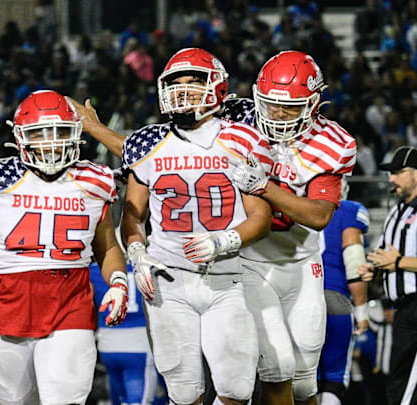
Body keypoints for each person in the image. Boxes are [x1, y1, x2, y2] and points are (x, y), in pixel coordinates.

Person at [0, 89, 129, 404]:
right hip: (6, 302)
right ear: (21, 138)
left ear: (75, 133)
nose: (51, 142)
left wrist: (118, 280)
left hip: (69, 300)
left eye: (60, 132)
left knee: (65, 398)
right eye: (40, 133)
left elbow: (108, 246)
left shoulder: (94, 180)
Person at [120, 48, 273, 405]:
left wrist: (224, 241)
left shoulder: (242, 138)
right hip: (168, 278)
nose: (183, 90)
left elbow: (261, 216)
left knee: (236, 390)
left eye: (194, 82)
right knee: (184, 392)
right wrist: (137, 250)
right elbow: (132, 214)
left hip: (227, 276)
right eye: (176, 83)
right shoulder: (146, 143)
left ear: (217, 87)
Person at [226, 50, 357, 405]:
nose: (279, 113)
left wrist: (263, 187)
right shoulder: (237, 127)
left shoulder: (334, 142)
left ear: (313, 104)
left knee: (302, 382)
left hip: (302, 263)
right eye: (270, 104)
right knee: (276, 367)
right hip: (251, 261)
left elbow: (318, 215)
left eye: (291, 107)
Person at [358, 146, 417, 405]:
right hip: (403, 308)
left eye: (399, 172)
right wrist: (374, 267)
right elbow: (383, 253)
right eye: (391, 173)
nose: (391, 179)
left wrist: (400, 262)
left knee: (407, 383)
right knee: (398, 379)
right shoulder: (395, 211)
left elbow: (396, 259)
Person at [316, 180, 370, 405]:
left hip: (297, 298)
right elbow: (354, 261)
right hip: (335, 297)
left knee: (302, 377)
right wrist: (361, 311)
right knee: (335, 377)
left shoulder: (297, 205)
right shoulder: (348, 210)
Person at [89, 260, 156, 405]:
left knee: (118, 399)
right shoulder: (148, 266)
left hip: (107, 344)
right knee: (139, 401)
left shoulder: (95, 269)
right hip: (139, 345)